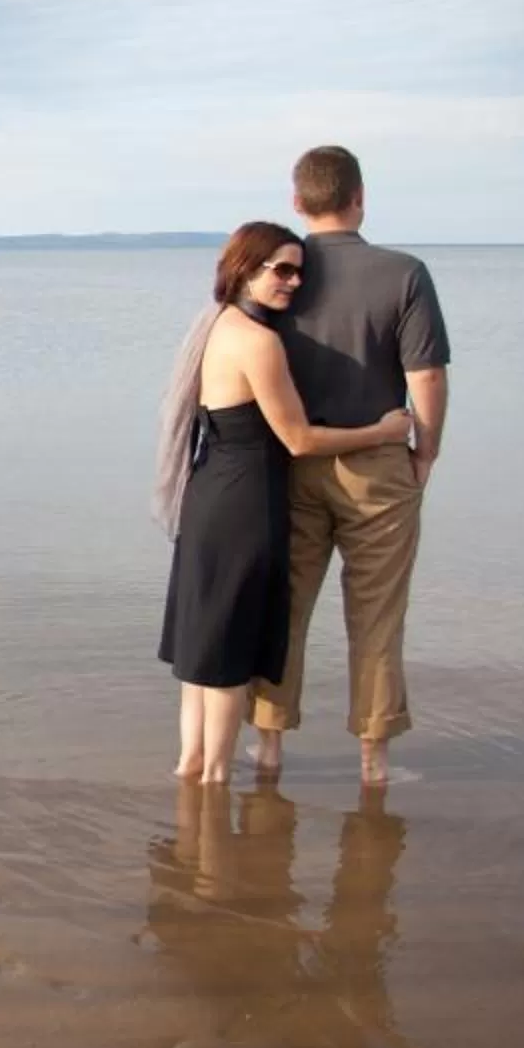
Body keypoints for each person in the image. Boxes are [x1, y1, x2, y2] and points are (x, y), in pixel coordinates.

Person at [155, 222, 414, 784]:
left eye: (300, 270)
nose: (295, 282)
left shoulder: (216, 324)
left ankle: (192, 778)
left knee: (201, 654)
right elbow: (299, 439)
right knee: (226, 660)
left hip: (208, 495)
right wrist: (383, 431)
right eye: (283, 270)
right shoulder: (259, 341)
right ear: (247, 269)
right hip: (245, 505)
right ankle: (215, 787)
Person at [248, 146, 452, 786]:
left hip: (291, 462)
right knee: (378, 618)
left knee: (285, 610)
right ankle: (373, 763)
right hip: (378, 466)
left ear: (297, 202)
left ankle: (270, 749)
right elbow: (427, 377)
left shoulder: (281, 271)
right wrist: (426, 451)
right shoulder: (404, 272)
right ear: (361, 197)